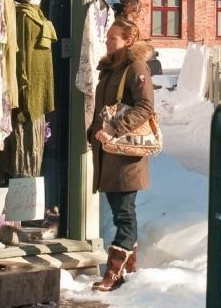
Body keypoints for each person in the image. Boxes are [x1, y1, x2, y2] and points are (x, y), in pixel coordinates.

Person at [88, 18, 155, 292]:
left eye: (112, 38)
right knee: (120, 212)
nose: (107, 42)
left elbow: (145, 107)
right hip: (109, 152)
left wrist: (115, 128)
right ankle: (130, 269)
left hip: (127, 154)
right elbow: (103, 108)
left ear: (128, 41)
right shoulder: (110, 69)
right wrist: (93, 132)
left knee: (124, 215)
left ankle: (113, 274)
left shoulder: (136, 68)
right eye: (107, 38)